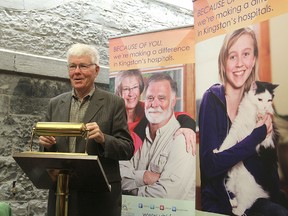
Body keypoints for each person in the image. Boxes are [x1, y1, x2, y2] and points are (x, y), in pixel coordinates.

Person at [199, 27, 288, 215]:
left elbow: (268, 169)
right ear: (223, 63)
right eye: (232, 56)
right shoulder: (212, 98)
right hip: (220, 203)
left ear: (254, 59)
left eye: (246, 54)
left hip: (254, 198)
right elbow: (210, 166)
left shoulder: (260, 100)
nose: (240, 63)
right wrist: (256, 136)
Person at [39, 43, 134, 216]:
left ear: (96, 70)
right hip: (61, 193)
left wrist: (103, 139)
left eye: (83, 66)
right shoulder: (55, 104)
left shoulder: (114, 104)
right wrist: (46, 144)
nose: (77, 71)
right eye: (72, 66)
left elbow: (127, 149)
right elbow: (47, 152)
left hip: (99, 198)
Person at [120, 73, 196, 200]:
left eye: (161, 98)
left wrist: (127, 192)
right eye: (150, 98)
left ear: (173, 102)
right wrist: (144, 176)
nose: (154, 104)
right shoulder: (137, 137)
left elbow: (167, 195)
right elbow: (117, 175)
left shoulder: (183, 139)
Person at [114, 69, 196, 154]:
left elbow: (175, 115)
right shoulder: (113, 115)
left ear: (140, 89)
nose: (131, 94)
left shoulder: (147, 108)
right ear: (119, 91)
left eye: (135, 87)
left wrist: (189, 126)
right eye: (126, 89)